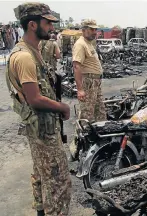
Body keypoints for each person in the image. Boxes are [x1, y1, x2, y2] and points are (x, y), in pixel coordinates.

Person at [6, 3, 72, 216]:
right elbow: (34, 99)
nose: (52, 28)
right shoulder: (25, 56)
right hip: (43, 130)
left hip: (41, 128)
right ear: (32, 25)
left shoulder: (32, 50)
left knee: (42, 174)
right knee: (57, 183)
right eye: (48, 23)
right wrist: (62, 106)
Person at [69, 19, 106, 161]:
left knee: (100, 113)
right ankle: (79, 148)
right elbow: (77, 66)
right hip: (88, 82)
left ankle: (100, 145)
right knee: (86, 116)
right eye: (91, 29)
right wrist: (80, 89)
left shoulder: (89, 43)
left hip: (95, 82)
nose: (94, 32)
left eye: (95, 29)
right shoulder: (80, 44)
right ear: (83, 30)